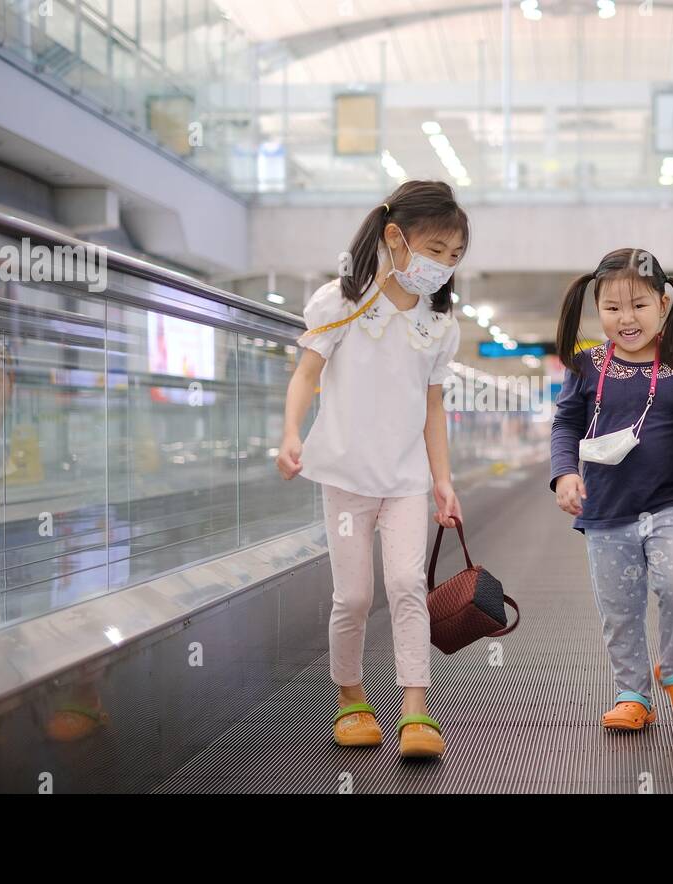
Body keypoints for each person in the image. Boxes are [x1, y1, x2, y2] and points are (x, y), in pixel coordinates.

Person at [276, 180, 466, 759]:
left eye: (454, 256)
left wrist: (443, 479)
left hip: (406, 480)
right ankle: (351, 697)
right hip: (347, 477)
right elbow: (308, 373)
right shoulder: (341, 301)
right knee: (354, 596)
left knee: (408, 585)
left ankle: (415, 708)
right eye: (435, 250)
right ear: (394, 236)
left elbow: (432, 407)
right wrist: (290, 431)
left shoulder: (440, 324)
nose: (444, 265)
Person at [549, 248, 673, 730]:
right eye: (612, 309)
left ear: (664, 305)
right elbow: (565, 423)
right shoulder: (588, 365)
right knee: (620, 608)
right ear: (597, 311)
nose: (626, 319)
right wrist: (565, 473)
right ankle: (632, 693)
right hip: (608, 509)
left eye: (639, 306)